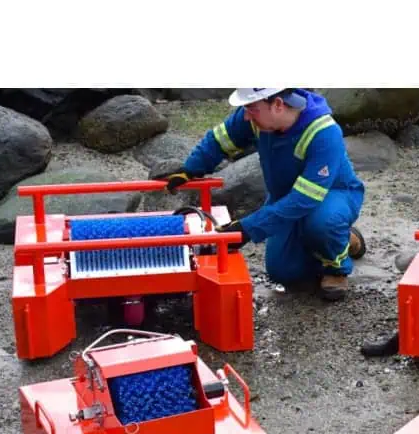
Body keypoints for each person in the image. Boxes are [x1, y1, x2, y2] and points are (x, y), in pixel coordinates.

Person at [153, 88, 366, 302]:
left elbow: (305, 199)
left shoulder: (324, 133)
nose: (246, 115)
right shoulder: (255, 116)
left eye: (252, 108)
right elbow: (219, 140)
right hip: (285, 196)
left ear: (278, 105)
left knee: (322, 223)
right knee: (282, 272)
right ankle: (332, 242)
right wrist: (190, 169)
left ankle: (336, 266)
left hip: (332, 195)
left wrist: (247, 228)